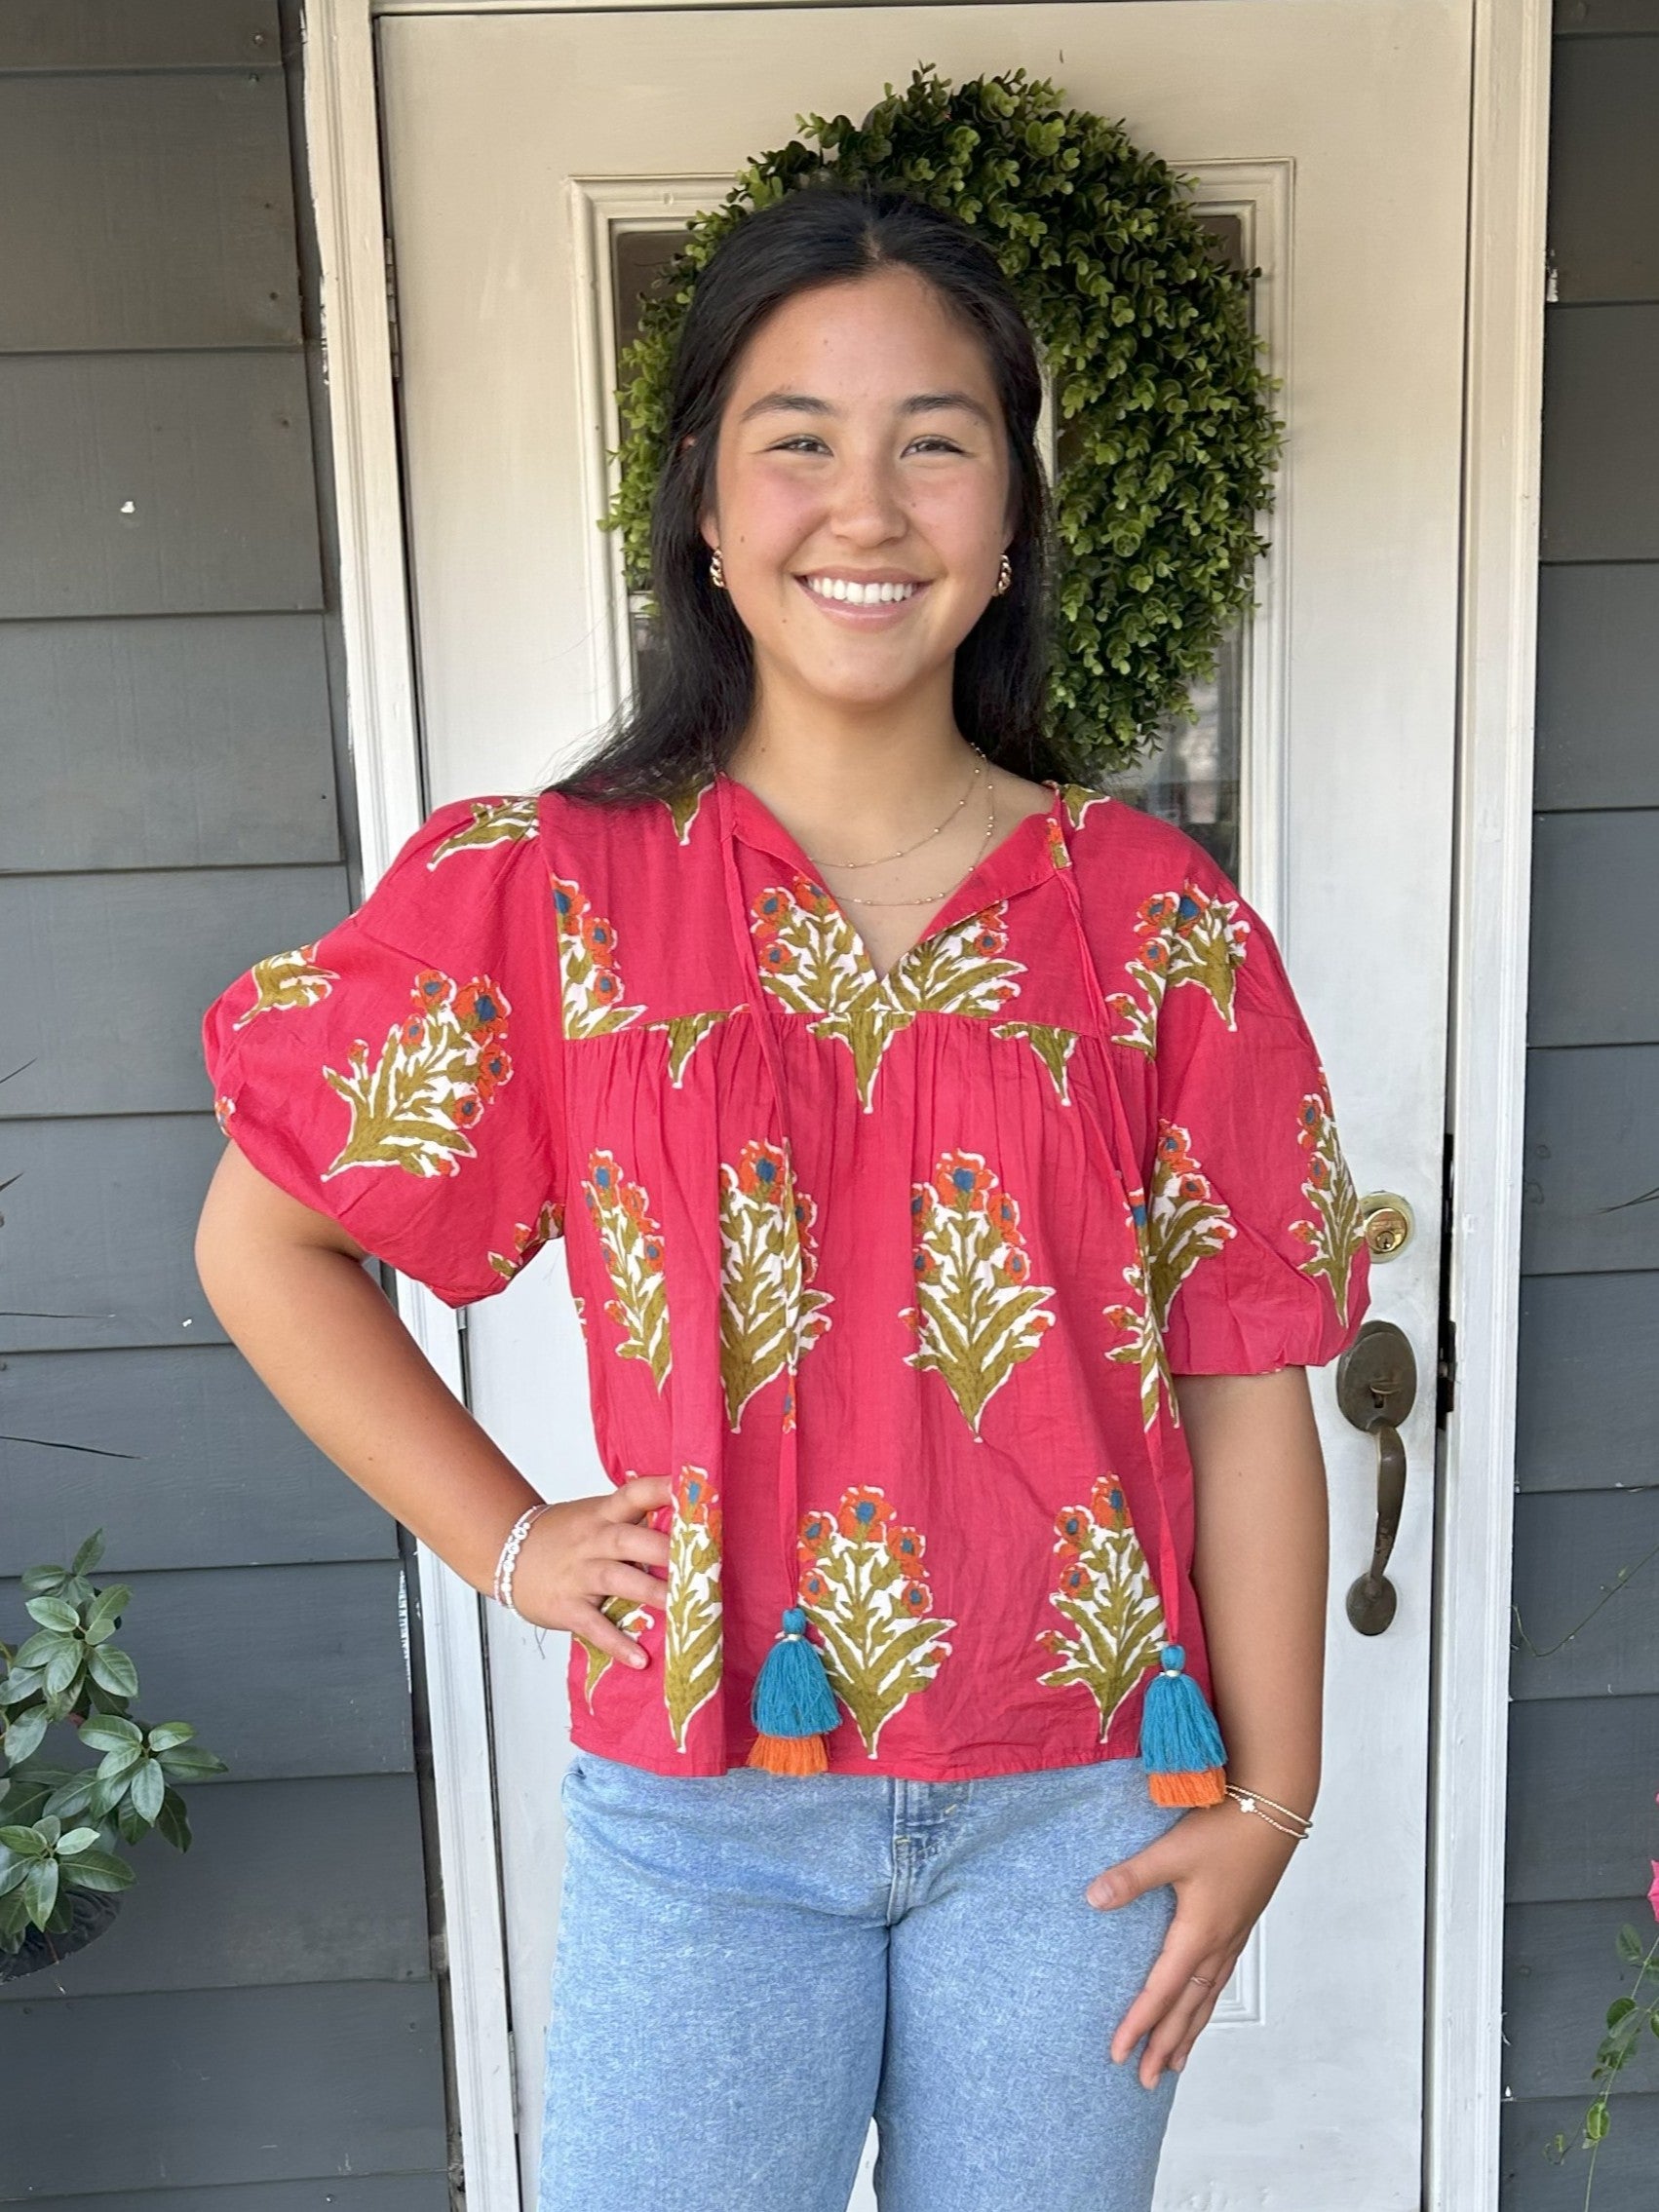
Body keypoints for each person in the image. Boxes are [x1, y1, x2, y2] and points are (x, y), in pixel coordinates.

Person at [195, 184, 1371, 2212]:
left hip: (1084, 1799)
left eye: (936, 439)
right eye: (795, 440)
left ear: (1007, 515)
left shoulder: (1157, 925)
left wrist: (1273, 1791)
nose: (867, 505)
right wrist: (506, 1537)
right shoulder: (543, 890)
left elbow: (1246, 1375)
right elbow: (265, 1238)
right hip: (706, 1808)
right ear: (709, 510)